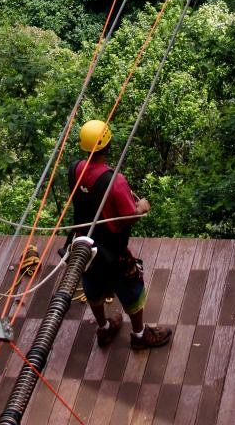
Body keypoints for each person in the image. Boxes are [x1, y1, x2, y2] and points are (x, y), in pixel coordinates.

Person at [68, 120, 172, 351]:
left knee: (92, 284)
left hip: (84, 243)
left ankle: (104, 329)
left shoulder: (75, 169)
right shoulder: (114, 181)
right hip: (111, 249)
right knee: (130, 287)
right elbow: (127, 217)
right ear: (108, 146)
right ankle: (139, 335)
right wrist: (142, 207)